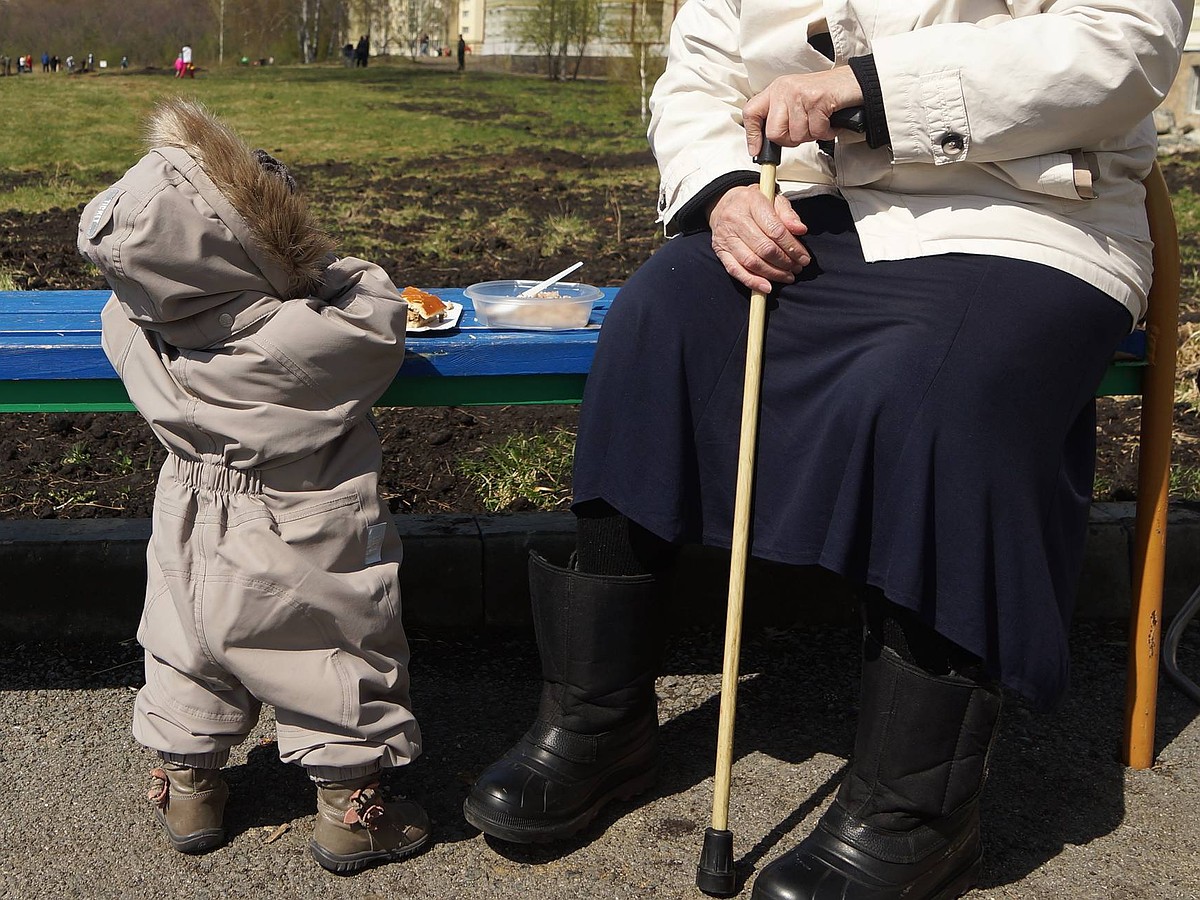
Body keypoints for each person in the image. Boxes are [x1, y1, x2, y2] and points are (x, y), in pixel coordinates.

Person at [465, 3, 1190, 899]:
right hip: (812, 209)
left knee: (936, 390)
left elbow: (1124, 41)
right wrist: (725, 190)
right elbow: (696, 78)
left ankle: (914, 812)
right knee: (662, 321)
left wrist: (869, 86)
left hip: (1026, 218)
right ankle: (599, 722)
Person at [76, 97, 429, 874]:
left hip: (191, 506)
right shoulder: (318, 334)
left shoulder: (135, 331)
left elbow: (123, 303)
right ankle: (351, 812)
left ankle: (189, 788)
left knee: (183, 642)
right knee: (333, 644)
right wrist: (315, 269)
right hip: (307, 508)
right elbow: (380, 309)